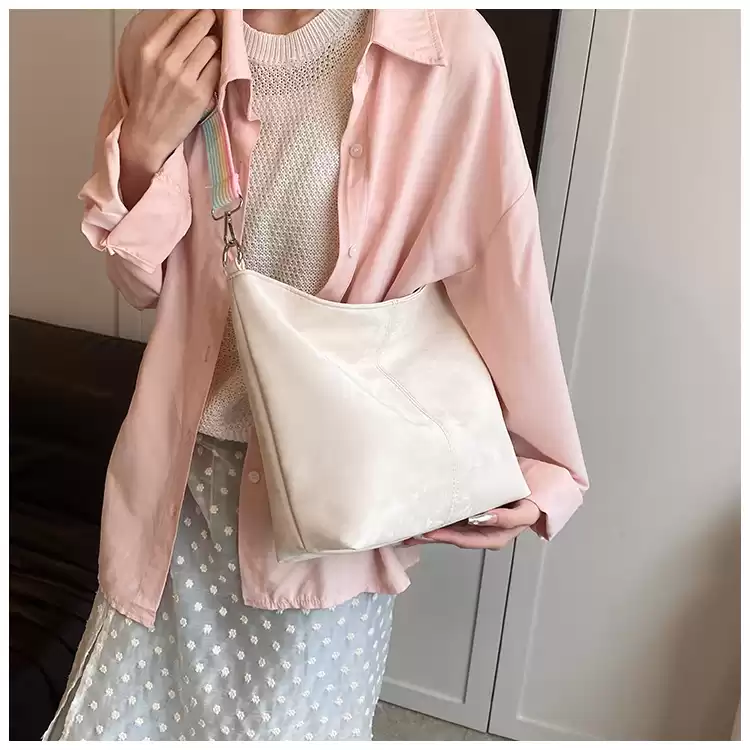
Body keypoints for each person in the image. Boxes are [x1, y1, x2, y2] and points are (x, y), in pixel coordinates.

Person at [44, 9, 587, 742]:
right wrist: (140, 150)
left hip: (328, 517)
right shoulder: (168, 35)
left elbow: (499, 262)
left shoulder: (444, 45)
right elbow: (141, 282)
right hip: (173, 498)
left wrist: (544, 467)